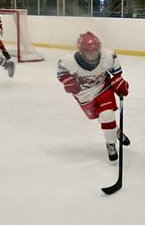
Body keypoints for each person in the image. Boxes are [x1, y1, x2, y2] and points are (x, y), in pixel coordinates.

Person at [56, 32, 130, 162]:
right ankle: (116, 131)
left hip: (103, 88)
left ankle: (110, 144)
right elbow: (61, 74)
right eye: (90, 51)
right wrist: (68, 82)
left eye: (96, 49)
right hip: (83, 95)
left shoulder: (108, 56)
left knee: (107, 114)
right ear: (82, 51)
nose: (94, 53)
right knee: (99, 117)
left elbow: (116, 74)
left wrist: (120, 83)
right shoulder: (68, 61)